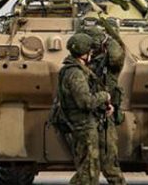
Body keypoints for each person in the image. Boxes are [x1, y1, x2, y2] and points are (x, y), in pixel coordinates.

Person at [58, 33, 112, 185]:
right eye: (90, 51)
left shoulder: (72, 70)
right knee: (89, 170)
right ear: (84, 53)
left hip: (82, 125)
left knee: (89, 170)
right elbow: (86, 102)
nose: (92, 54)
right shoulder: (76, 74)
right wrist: (104, 96)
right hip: (83, 126)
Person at [88, 22, 127, 185]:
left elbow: (117, 57)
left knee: (109, 161)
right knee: (87, 165)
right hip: (84, 115)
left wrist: (108, 39)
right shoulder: (81, 62)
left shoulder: (109, 63)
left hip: (103, 114)